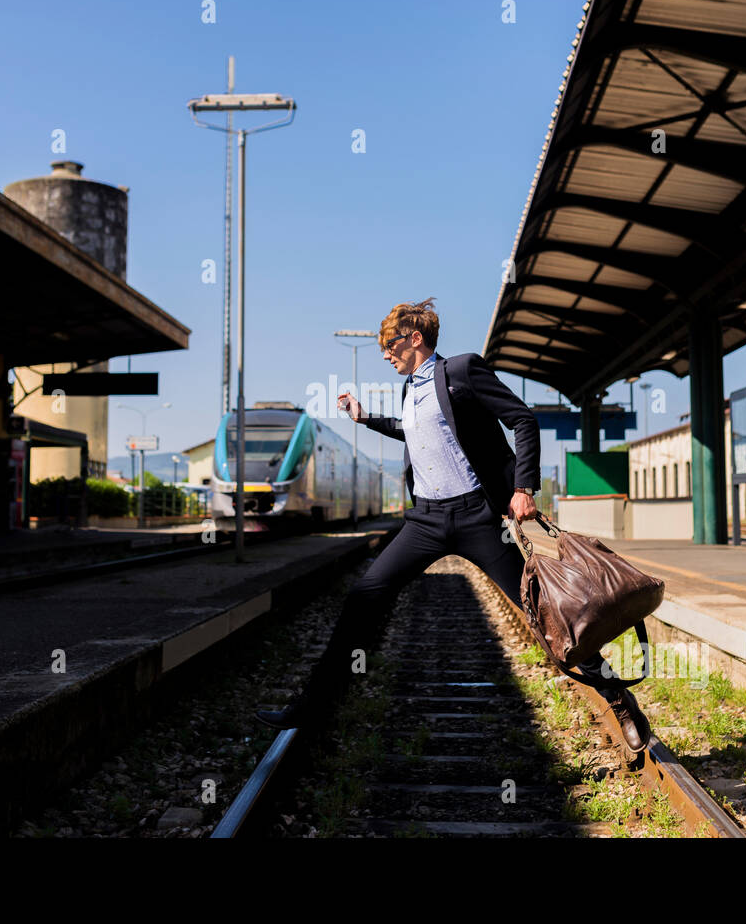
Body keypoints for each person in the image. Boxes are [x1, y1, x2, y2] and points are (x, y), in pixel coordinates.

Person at [255, 298, 651, 752]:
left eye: (389, 344)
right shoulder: (409, 390)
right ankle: (309, 708)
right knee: (363, 598)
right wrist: (364, 418)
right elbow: (417, 433)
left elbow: (523, 419)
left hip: (477, 517)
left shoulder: (461, 371)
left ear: (415, 339)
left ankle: (620, 701)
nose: (385, 353)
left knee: (545, 616)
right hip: (426, 519)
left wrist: (523, 488)